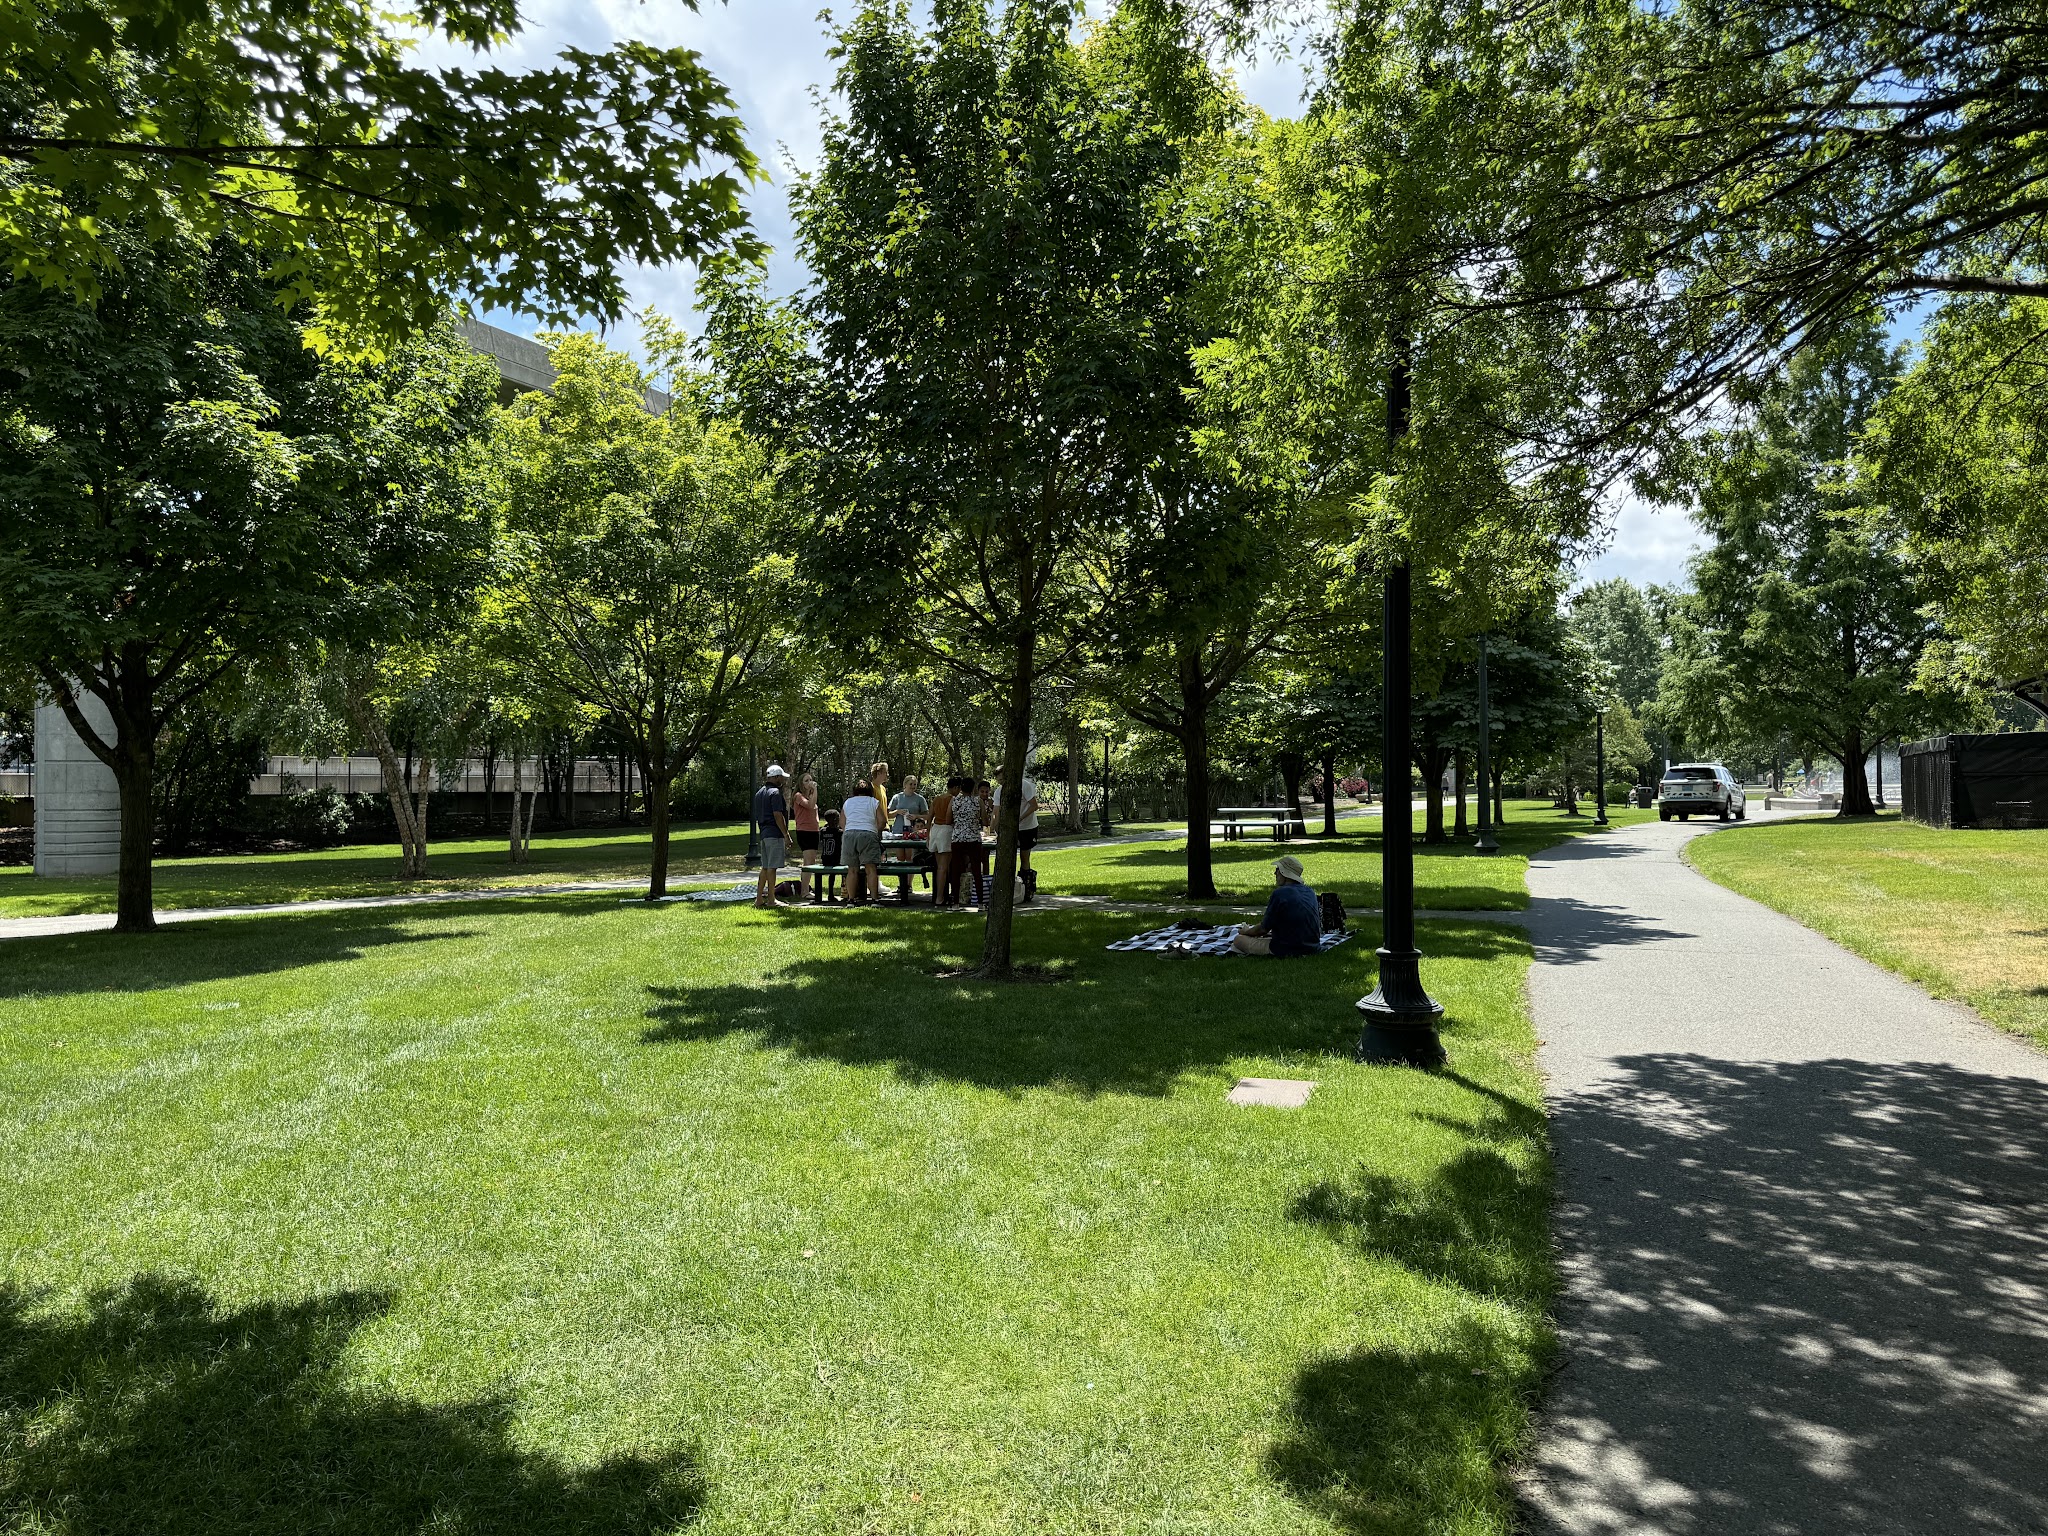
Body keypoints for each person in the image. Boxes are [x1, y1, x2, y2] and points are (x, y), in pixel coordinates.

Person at [1232, 854, 1322, 957]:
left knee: (1238, 940)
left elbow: (1263, 928)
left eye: (1277, 869)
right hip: (1312, 946)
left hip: (1287, 949)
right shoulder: (1310, 891)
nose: (1275, 873)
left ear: (1284, 872)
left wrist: (1246, 931)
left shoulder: (1280, 894)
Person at [993, 764, 1041, 903]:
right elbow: (997, 811)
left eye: (1003, 780)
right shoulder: (999, 791)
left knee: (1024, 857)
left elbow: (1034, 805)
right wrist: (994, 828)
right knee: (1009, 856)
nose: (1001, 783)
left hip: (1027, 826)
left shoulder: (1024, 786)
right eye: (999, 781)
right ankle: (1010, 888)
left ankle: (1026, 888)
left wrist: (1019, 818)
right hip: (1010, 828)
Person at [753, 765, 791, 909]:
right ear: (776, 778)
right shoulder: (775, 793)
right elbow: (777, 815)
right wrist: (786, 835)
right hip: (774, 834)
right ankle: (771, 900)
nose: (782, 780)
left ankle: (759, 899)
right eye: (781, 777)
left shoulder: (759, 793)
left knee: (765, 867)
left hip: (763, 833)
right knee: (772, 868)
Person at [841, 777, 884, 904]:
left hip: (849, 834)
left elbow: (842, 822)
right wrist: (876, 831)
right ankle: (875, 900)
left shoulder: (848, 802)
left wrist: (848, 831)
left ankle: (851, 900)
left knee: (852, 870)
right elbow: (882, 821)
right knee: (871, 870)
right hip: (868, 834)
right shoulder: (873, 802)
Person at [949, 777, 983, 905]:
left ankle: (956, 902)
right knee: (976, 871)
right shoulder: (977, 801)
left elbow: (948, 819)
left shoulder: (954, 801)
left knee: (956, 870)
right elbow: (985, 820)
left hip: (957, 838)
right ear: (973, 788)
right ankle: (980, 902)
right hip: (973, 838)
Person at [791, 772, 822, 900]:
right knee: (808, 862)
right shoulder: (798, 796)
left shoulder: (811, 795)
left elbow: (813, 806)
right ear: (801, 784)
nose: (810, 782)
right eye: (806, 780)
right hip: (804, 831)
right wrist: (814, 790)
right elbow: (809, 806)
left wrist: (814, 792)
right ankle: (804, 891)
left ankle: (806, 888)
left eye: (811, 779)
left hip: (814, 831)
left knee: (812, 861)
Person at [927, 776, 957, 907]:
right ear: (956, 788)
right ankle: (940, 897)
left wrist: (928, 835)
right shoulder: (953, 799)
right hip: (946, 830)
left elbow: (929, 818)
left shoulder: (937, 799)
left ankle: (941, 895)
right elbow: (950, 818)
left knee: (940, 867)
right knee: (944, 868)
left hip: (935, 829)